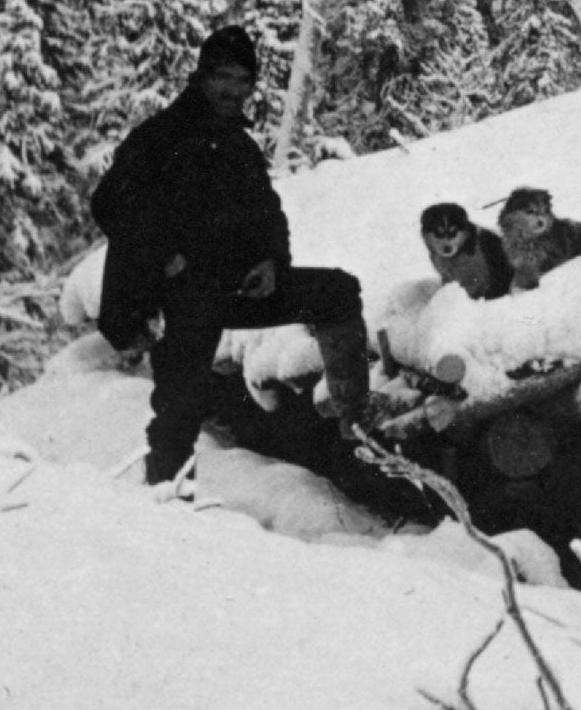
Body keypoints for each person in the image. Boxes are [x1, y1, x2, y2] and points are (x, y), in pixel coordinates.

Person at [91, 25, 372, 491]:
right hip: (181, 295)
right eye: (223, 76)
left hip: (236, 288)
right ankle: (168, 497)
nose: (233, 90)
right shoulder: (161, 137)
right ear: (201, 76)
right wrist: (163, 257)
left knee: (336, 291)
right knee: (181, 405)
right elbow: (109, 204)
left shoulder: (238, 145)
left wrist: (271, 264)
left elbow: (269, 215)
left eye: (243, 80)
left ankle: (356, 428)